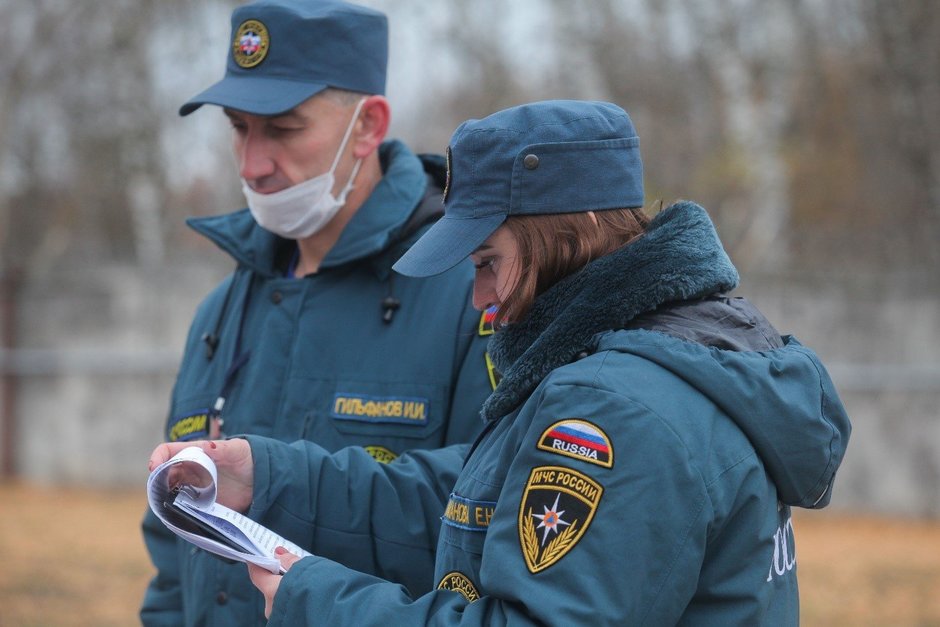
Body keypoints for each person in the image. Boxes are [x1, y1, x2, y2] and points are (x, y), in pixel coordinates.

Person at [149, 100, 852, 625]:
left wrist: (315, 596)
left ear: (564, 240)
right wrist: (270, 477)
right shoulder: (635, 362)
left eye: (488, 263)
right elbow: (468, 500)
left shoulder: (618, 408)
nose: (480, 299)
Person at [140, 1, 497, 625]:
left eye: (282, 129)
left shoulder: (470, 293)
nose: (253, 163)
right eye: (239, 127)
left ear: (367, 126)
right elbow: (173, 543)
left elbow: (490, 503)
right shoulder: (221, 312)